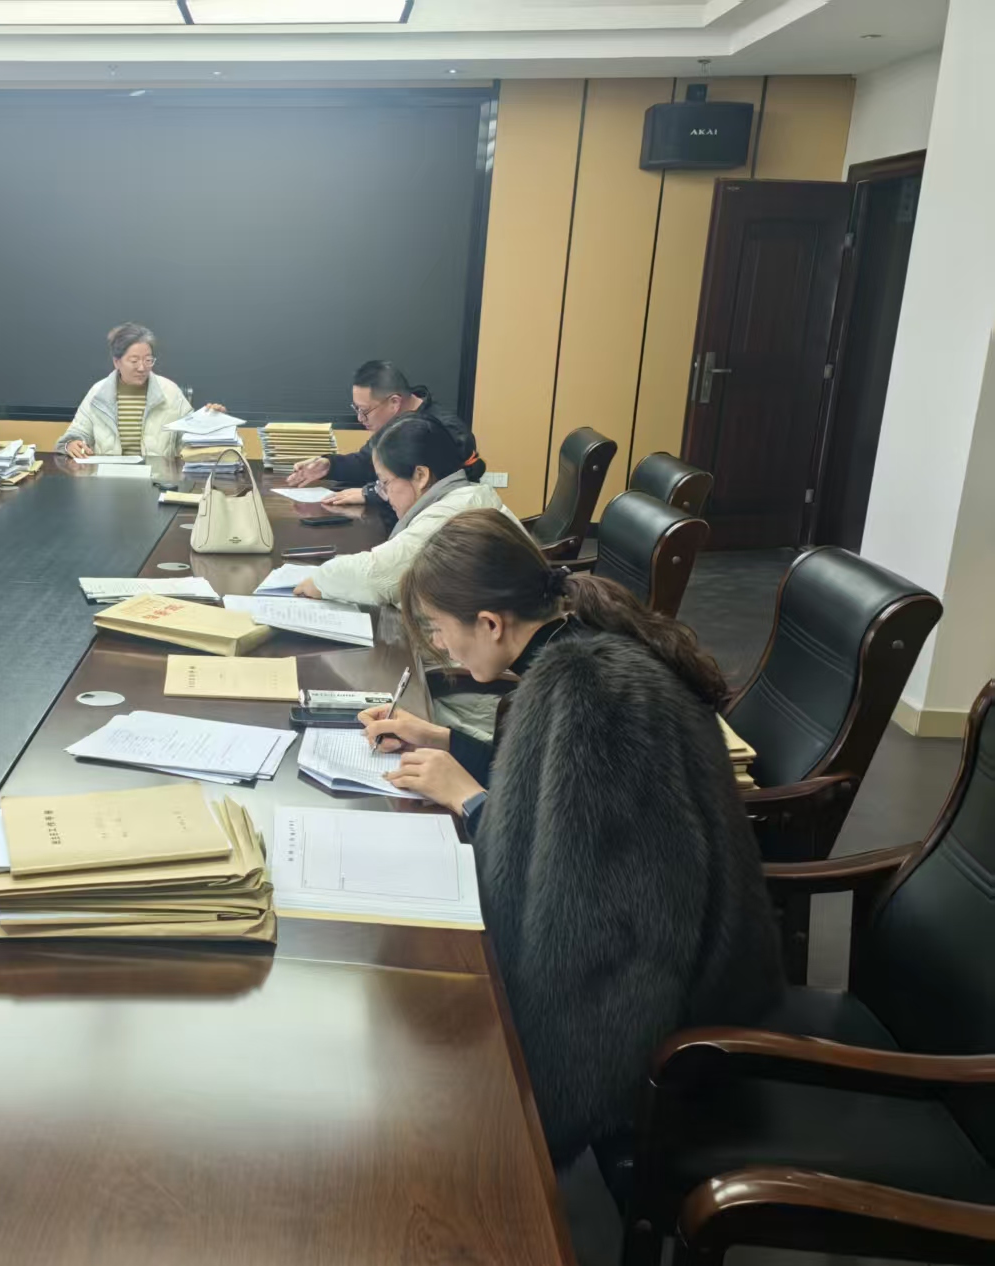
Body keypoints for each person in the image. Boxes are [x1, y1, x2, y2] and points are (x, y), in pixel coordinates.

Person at [358, 508, 783, 1163]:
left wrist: (470, 800)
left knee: (435, 1065)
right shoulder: (582, 645)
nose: (441, 647)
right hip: (688, 954)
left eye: (440, 629)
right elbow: (553, 786)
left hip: (665, 1011)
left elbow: (576, 908)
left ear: (490, 623)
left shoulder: (592, 697)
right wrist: (443, 740)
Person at [293, 414, 516, 608]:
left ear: (421, 476)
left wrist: (319, 581)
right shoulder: (466, 496)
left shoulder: (453, 513)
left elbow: (379, 576)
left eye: (385, 483)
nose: (384, 494)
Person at [285, 360, 438, 508]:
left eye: (364, 411)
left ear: (394, 402)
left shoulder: (441, 429)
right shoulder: (392, 421)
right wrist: (330, 466)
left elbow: (436, 488)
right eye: (357, 409)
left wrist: (374, 493)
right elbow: (367, 462)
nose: (360, 418)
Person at [57, 323, 221, 460]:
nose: (142, 367)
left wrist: (211, 422)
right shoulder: (98, 393)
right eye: (134, 360)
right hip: (108, 479)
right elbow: (76, 434)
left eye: (148, 360)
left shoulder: (170, 391)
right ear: (117, 362)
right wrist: (71, 444)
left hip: (157, 478)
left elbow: (190, 439)